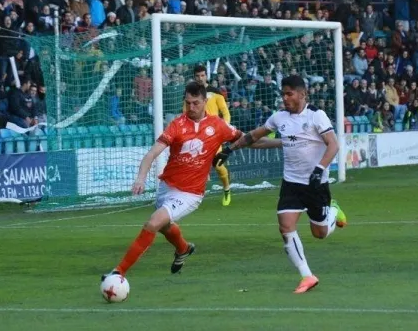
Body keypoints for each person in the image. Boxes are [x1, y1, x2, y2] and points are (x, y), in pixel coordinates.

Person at [102, 82, 278, 280]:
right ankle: (183, 249)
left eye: (195, 103)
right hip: (166, 187)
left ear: (205, 101)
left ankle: (118, 273)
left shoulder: (218, 125)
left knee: (153, 223)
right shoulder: (177, 125)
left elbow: (249, 140)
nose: (191, 107)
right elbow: (152, 154)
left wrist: (282, 143)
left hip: (190, 193)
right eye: (188, 103)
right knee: (165, 226)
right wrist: (140, 178)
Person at [214, 75, 347, 294]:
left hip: (315, 184)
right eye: (283, 94)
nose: (285, 98)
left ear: (302, 94)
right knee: (285, 226)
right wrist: (229, 149)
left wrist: (319, 168)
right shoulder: (279, 118)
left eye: (289, 94)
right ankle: (307, 275)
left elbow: (333, 144)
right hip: (291, 183)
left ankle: (333, 211)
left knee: (320, 233)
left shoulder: (316, 115)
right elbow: (253, 136)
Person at [188, 64, 234, 206]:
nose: (200, 78)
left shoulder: (215, 92)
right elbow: (185, 113)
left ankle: (226, 190)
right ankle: (191, 195)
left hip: (213, 134)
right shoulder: (190, 93)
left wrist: (223, 128)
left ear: (206, 76)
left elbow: (225, 113)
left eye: (202, 75)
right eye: (197, 76)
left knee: (218, 165)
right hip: (196, 134)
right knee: (192, 165)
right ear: (194, 77)